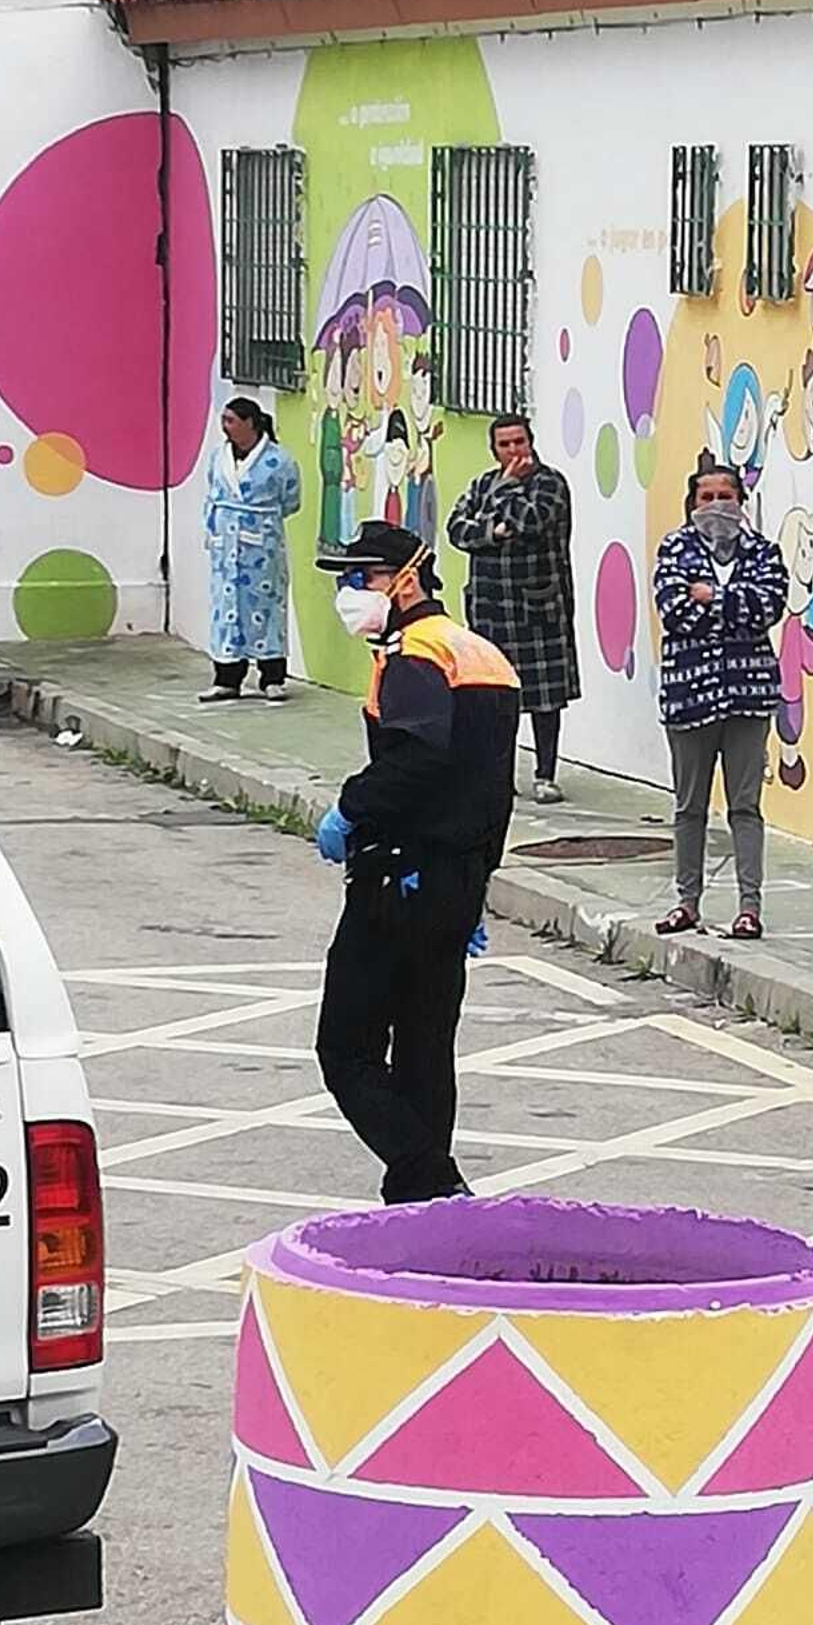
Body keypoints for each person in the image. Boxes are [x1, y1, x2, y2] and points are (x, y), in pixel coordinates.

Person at [313, 521, 520, 1203]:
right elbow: (494, 789)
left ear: (405, 581)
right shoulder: (482, 654)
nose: (349, 591)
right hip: (455, 879)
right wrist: (476, 886)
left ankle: (433, 1181)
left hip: (398, 877)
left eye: (362, 577)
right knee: (425, 1047)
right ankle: (423, 1204)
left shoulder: (414, 654)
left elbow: (417, 759)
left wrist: (350, 808)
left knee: (346, 1049)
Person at [653, 462, 788, 940]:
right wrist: (734, 604)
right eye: (706, 497)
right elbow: (675, 613)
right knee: (689, 806)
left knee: (745, 806)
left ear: (741, 501)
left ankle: (750, 907)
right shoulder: (674, 549)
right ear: (692, 504)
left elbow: (768, 608)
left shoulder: (764, 552)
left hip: (749, 696)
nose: (716, 506)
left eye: (725, 496)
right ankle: (686, 902)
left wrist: (713, 596)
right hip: (690, 696)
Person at [447, 415, 580, 805]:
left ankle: (545, 774)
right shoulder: (481, 484)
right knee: (495, 698)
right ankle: (499, 775)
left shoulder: (550, 484)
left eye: (519, 441)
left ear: (531, 442)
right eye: (504, 444)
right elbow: (457, 529)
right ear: (494, 449)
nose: (513, 450)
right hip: (490, 607)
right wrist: (494, 531)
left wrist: (507, 492)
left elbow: (532, 521)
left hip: (538, 606)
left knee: (545, 698)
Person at [201, 398, 302, 703]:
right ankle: (227, 679)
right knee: (226, 609)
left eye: (231, 420)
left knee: (266, 609)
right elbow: (213, 490)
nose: (225, 426)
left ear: (250, 423)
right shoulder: (218, 457)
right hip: (225, 547)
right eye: (224, 419)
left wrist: (260, 523)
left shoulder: (279, 460)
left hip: (262, 548)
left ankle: (272, 678)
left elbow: (291, 500)